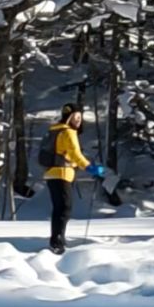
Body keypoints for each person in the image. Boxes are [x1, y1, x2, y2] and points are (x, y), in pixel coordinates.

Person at [44, 106, 104, 255]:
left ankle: (58, 239)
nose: (79, 120)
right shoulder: (69, 132)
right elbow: (76, 154)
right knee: (65, 208)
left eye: (80, 118)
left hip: (51, 173)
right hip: (62, 173)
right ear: (68, 118)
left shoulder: (54, 131)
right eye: (76, 117)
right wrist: (90, 168)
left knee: (60, 208)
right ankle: (57, 242)